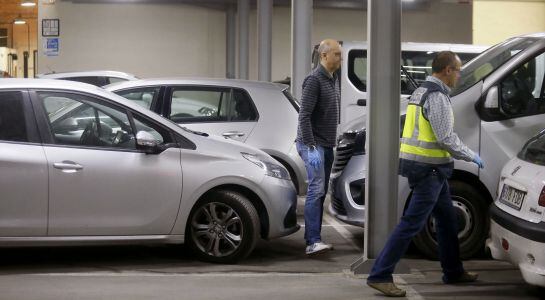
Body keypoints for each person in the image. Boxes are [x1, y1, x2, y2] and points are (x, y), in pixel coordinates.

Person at [366, 51, 484, 297]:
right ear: (448, 70)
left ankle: (453, 271)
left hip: (428, 167)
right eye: (458, 70)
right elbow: (445, 138)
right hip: (429, 169)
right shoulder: (437, 96)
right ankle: (380, 274)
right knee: (411, 223)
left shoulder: (420, 92)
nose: (460, 75)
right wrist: (469, 154)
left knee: (448, 220)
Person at [296, 39, 342, 256]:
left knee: (321, 191)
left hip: (326, 144)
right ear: (324, 56)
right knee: (316, 189)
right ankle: (312, 242)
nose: (340, 59)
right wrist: (312, 146)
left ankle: (313, 238)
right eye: (337, 54)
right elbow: (303, 116)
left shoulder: (332, 79)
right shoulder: (314, 80)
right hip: (313, 145)